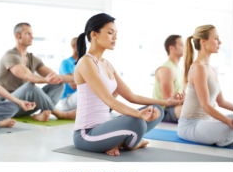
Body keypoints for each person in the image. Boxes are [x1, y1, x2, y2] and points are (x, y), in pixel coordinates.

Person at [73, 13, 184, 156]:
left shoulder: (107, 64)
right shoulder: (86, 62)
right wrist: (138, 114)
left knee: (156, 110)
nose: (115, 37)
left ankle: (119, 143)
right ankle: (128, 144)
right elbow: (110, 101)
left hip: (104, 127)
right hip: (86, 134)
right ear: (94, 34)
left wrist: (166, 102)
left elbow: (131, 96)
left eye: (116, 33)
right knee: (137, 122)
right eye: (110, 32)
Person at [0, 23, 76, 121]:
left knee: (59, 83)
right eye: (28, 34)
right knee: (30, 86)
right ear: (17, 36)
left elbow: (55, 76)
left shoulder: (33, 59)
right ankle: (61, 114)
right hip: (7, 105)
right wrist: (45, 80)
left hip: (27, 106)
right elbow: (27, 76)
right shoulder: (10, 56)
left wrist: (83, 78)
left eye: (32, 34)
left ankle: (43, 113)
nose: (32, 37)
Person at [177, 25, 233, 147]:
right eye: (215, 38)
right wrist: (228, 121)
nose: (220, 42)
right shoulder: (199, 68)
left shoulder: (211, 69)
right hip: (190, 125)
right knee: (231, 128)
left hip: (207, 122)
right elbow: (206, 106)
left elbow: (222, 102)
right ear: (203, 42)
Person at [153, 35, 185, 123]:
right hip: (164, 111)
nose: (184, 47)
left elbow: (183, 94)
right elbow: (168, 99)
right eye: (181, 45)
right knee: (192, 108)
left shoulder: (179, 70)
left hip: (175, 107)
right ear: (172, 48)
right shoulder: (166, 69)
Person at [59, 37, 78, 111]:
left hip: (78, 96)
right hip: (68, 99)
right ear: (74, 46)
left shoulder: (83, 64)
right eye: (81, 45)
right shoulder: (66, 62)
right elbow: (73, 85)